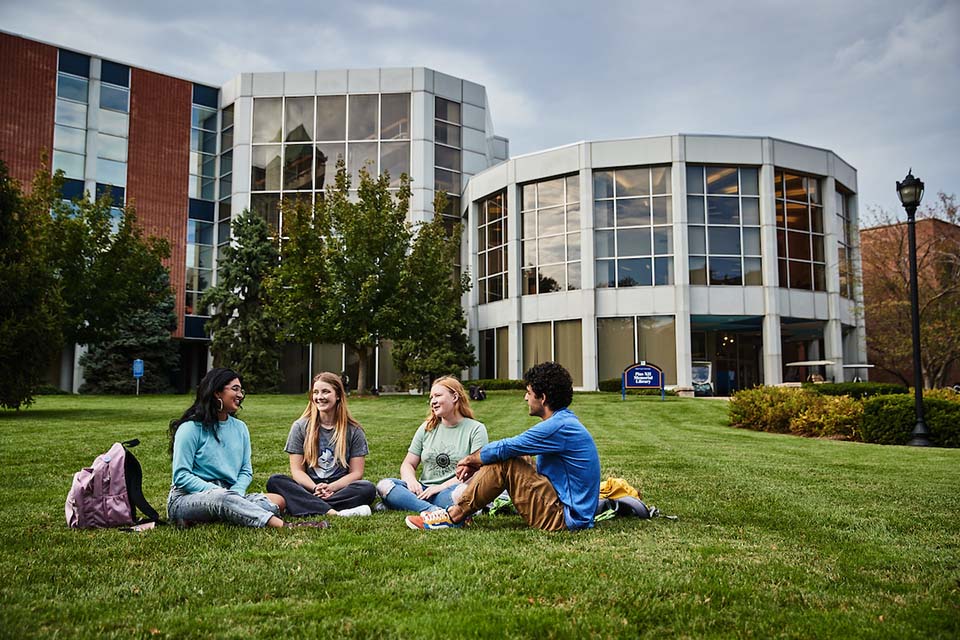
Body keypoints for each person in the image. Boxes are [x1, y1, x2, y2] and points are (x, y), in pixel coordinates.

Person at [405, 361, 600, 532]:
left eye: (529, 393)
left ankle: (453, 516)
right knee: (515, 458)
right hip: (568, 509)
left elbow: (507, 447)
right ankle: (457, 510)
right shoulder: (564, 422)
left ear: (543, 398)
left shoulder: (558, 426)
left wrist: (472, 459)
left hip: (565, 519)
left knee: (506, 460)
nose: (525, 398)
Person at [167, 368, 322, 529]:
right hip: (187, 498)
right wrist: (220, 493)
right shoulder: (190, 428)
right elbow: (181, 476)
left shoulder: (240, 428)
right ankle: (285, 526)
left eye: (241, 390)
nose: (240, 395)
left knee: (278, 501)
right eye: (235, 389)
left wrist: (236, 493)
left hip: (230, 494)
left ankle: (223, 514)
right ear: (216, 392)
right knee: (222, 499)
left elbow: (246, 471)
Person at [266, 372, 376, 517]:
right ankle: (334, 512)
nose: (319, 397)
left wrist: (331, 487)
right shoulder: (300, 427)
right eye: (316, 392)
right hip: (308, 487)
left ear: (338, 396)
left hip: (339, 489)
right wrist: (315, 487)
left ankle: (303, 505)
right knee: (275, 481)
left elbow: (356, 473)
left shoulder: (354, 430)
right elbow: (297, 471)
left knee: (367, 488)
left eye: (326, 392)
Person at [376, 376, 488, 513]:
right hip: (423, 490)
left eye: (438, 396)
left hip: (450, 490)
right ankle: (433, 510)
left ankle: (408, 503)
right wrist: (412, 481)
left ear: (454, 397)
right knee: (384, 485)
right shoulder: (426, 428)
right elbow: (408, 464)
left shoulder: (476, 429)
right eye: (431, 398)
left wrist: (439, 488)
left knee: (462, 494)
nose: (433, 402)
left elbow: (476, 472)